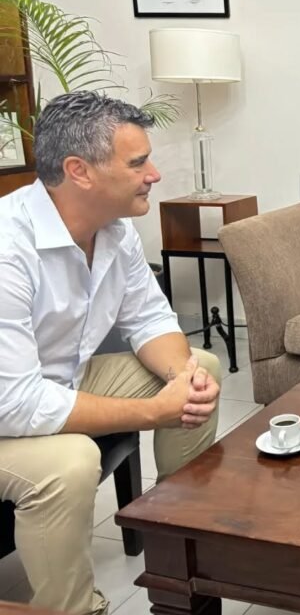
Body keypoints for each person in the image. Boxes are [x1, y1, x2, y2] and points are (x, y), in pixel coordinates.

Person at [0, 91, 222, 615]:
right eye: (138, 163)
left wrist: (182, 377)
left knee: (202, 369)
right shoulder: (8, 246)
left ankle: (175, 544)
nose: (154, 175)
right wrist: (152, 412)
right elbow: (16, 403)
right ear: (79, 171)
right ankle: (73, 609)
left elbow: (149, 319)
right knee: (70, 462)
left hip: (55, 382)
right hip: (8, 406)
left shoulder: (115, 231)